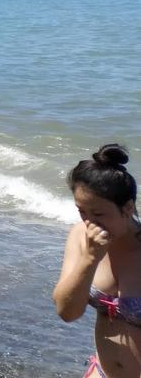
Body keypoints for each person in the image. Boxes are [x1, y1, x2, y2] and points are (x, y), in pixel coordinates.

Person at [54, 144, 141, 378]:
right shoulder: (80, 236)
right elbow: (67, 312)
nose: (90, 223)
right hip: (101, 372)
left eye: (99, 214)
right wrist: (90, 258)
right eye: (82, 211)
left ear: (128, 208)